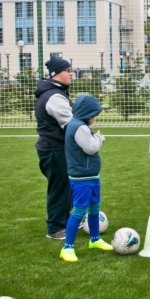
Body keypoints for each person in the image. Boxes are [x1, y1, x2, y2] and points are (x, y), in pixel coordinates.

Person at [59, 94, 112, 262]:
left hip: (90, 176)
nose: (95, 118)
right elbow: (91, 148)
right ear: (86, 113)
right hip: (82, 178)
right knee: (80, 211)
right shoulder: (78, 127)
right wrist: (99, 138)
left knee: (95, 209)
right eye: (94, 114)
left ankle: (95, 240)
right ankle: (67, 248)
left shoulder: (77, 125)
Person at [35, 56, 73, 240]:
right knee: (59, 188)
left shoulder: (55, 93)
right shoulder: (54, 96)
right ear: (57, 74)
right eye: (68, 71)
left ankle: (65, 221)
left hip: (55, 148)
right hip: (54, 149)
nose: (71, 74)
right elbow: (70, 124)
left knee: (66, 186)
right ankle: (55, 228)